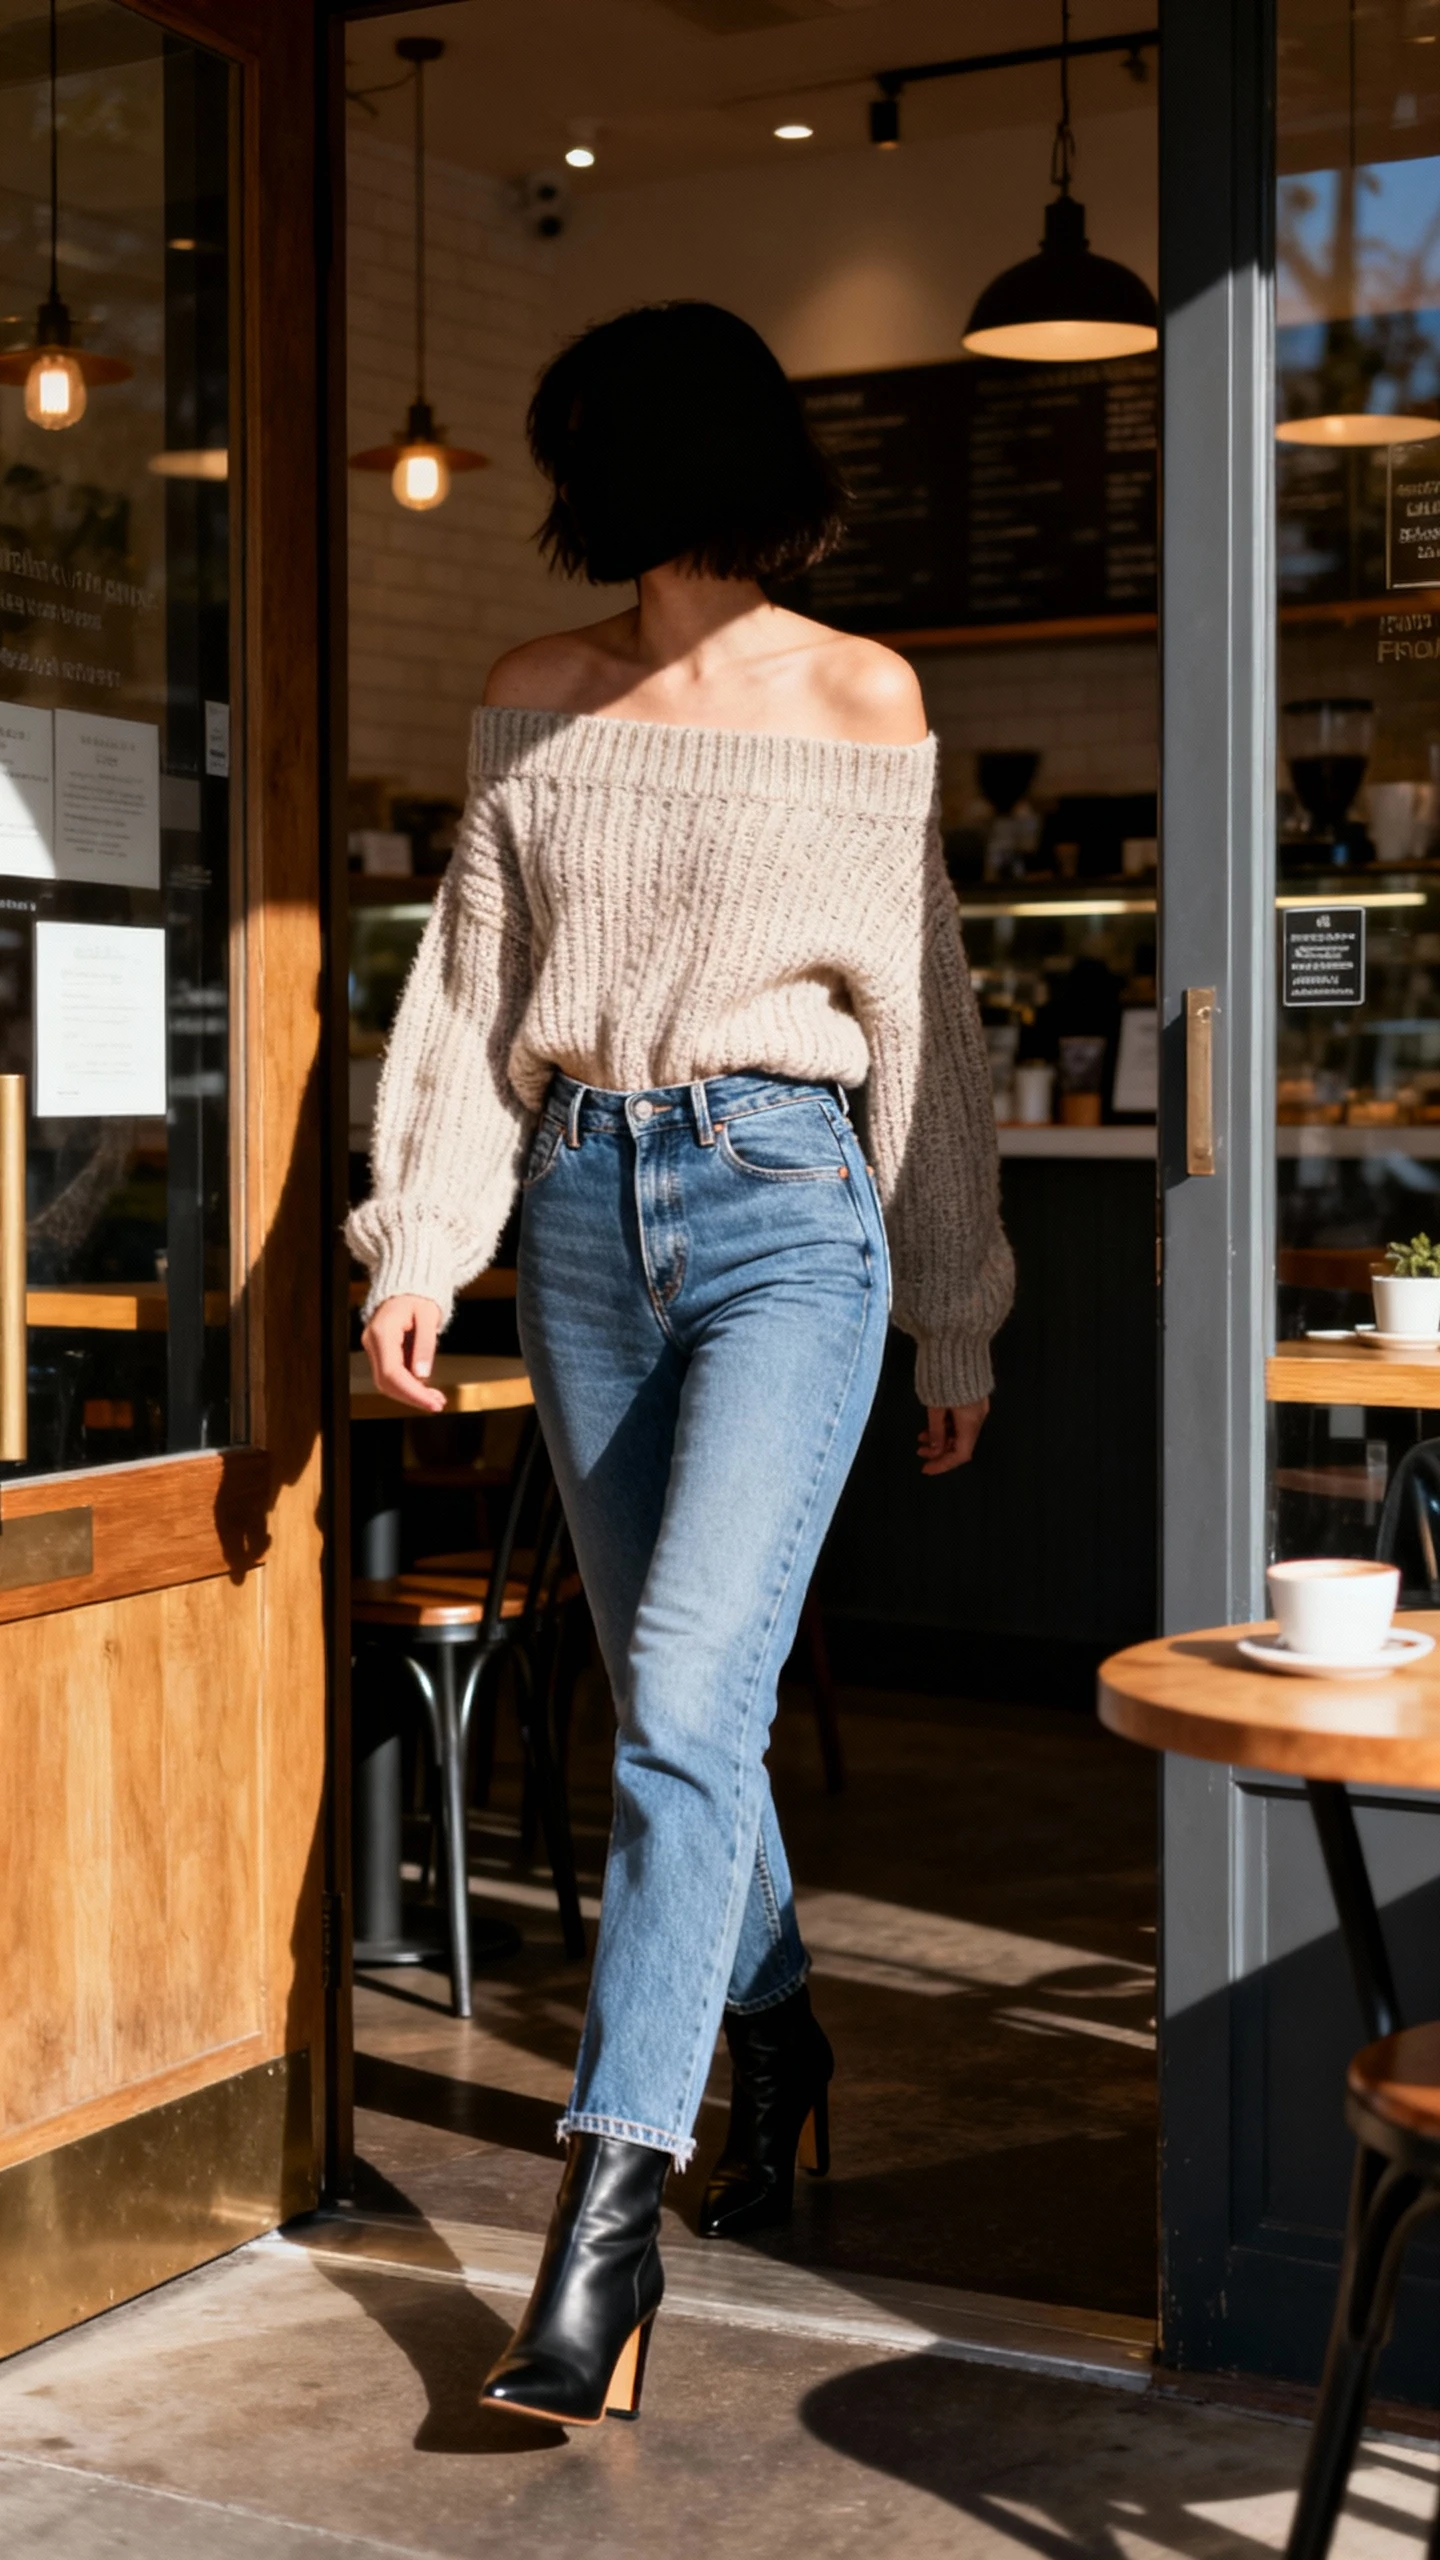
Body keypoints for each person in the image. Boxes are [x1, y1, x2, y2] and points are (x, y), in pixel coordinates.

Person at [348, 300, 1013, 2429]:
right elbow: (466, 998)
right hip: (578, 1213)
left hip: (782, 1206)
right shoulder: (535, 699)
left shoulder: (861, 692)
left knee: (690, 1695)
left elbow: (927, 1025)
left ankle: (602, 2222)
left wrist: (953, 1294)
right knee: (677, 1705)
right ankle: (787, 2021)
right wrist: (420, 1243)